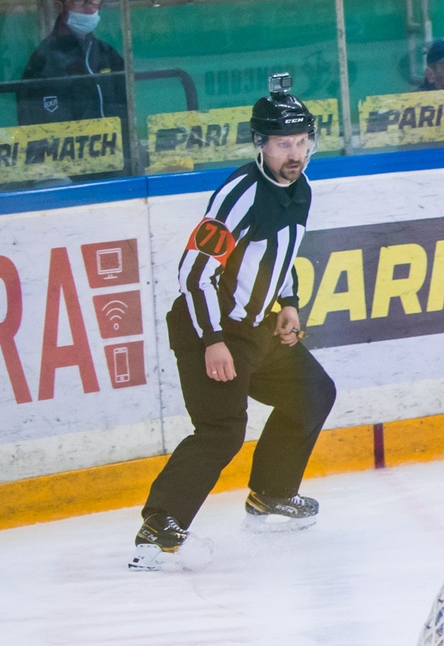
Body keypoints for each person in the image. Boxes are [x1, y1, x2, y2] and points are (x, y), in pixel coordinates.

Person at [131, 79, 337, 569]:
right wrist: (213, 341)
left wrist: (288, 302)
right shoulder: (238, 197)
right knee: (221, 430)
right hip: (211, 331)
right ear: (260, 144)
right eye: (283, 144)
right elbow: (194, 273)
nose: (295, 154)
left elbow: (280, 253)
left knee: (312, 393)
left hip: (258, 330)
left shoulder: (300, 187)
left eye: (301, 141)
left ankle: (271, 493)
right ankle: (158, 529)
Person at [20, 0, 125, 123]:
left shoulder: (106, 53)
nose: (89, 7)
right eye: (79, 0)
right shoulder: (44, 59)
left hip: (112, 138)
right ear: (59, 6)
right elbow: (34, 122)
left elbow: (125, 109)